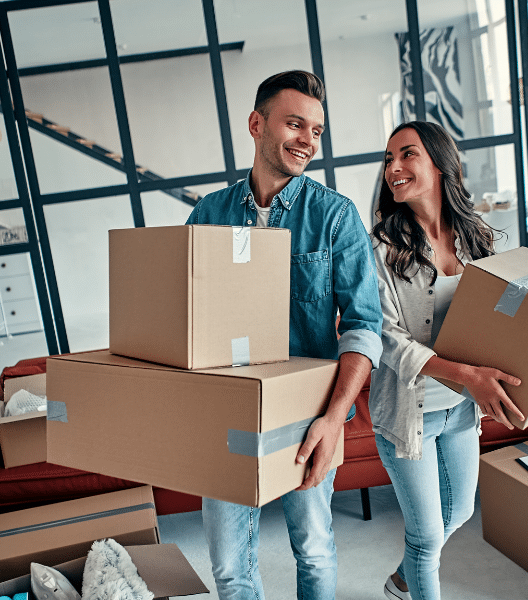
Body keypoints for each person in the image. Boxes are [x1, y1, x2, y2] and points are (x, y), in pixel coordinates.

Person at [369, 121, 528, 600]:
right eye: (389, 159)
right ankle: (416, 581)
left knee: (456, 514)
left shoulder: (477, 240)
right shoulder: (381, 250)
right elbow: (385, 338)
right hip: (407, 415)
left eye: (407, 154)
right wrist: (464, 375)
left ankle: (402, 580)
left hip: (460, 408)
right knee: (428, 534)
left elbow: (514, 320)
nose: (393, 167)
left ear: (439, 162)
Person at [185, 70, 383, 600]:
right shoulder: (208, 214)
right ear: (256, 123)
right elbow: (185, 318)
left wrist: (334, 420)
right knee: (228, 567)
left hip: (306, 417)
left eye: (316, 131)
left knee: (315, 552)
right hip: (225, 412)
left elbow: (365, 327)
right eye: (295, 124)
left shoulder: (335, 218)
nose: (307, 141)